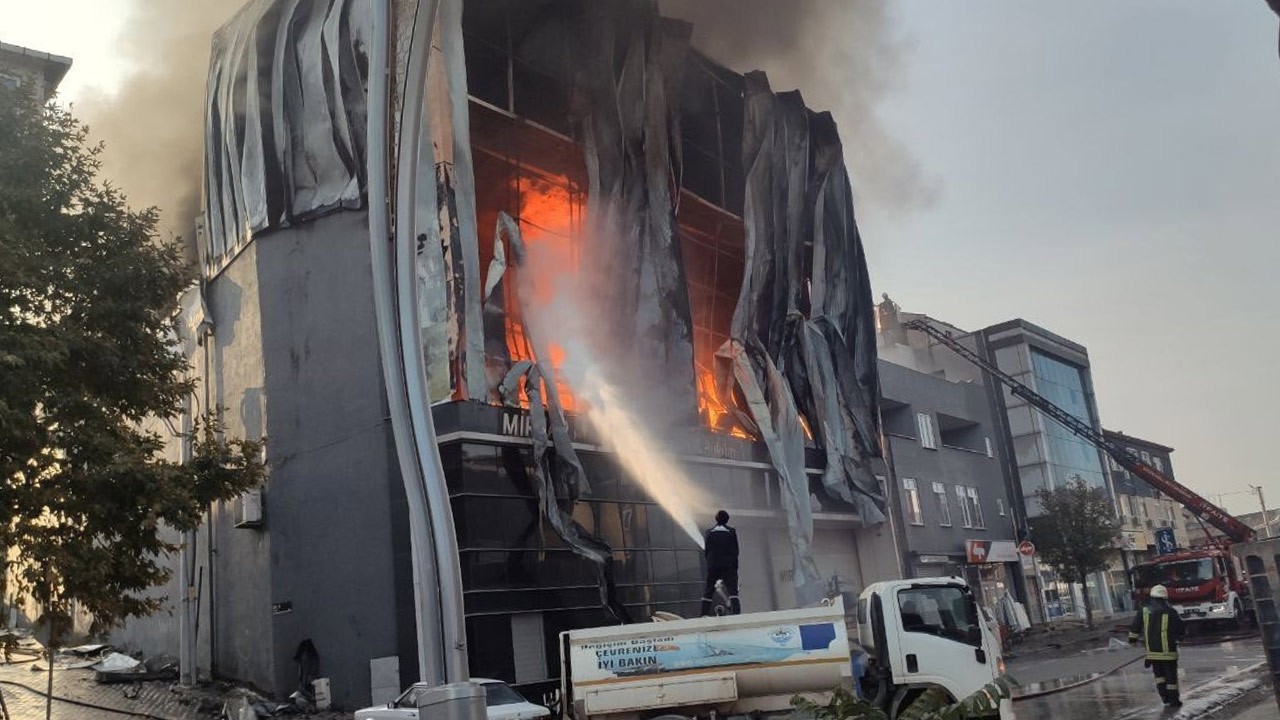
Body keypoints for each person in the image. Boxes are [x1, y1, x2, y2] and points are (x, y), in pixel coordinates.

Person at [1129, 584, 1185, 707]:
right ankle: (1174, 700)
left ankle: (1164, 697)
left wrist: (1132, 640)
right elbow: (1180, 628)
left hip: (1152, 653)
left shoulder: (1144, 610)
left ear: (1152, 596)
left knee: (1159, 676)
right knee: (1171, 678)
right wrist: (1180, 637)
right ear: (1165, 598)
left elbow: (1135, 627)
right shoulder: (1170, 611)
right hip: (1168, 653)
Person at [701, 510, 740, 616]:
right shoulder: (731, 532)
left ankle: (704, 614)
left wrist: (709, 564)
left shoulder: (709, 532)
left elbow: (707, 551)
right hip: (728, 566)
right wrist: (735, 567)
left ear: (716, 519)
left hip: (713, 566)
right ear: (727, 520)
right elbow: (735, 551)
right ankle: (736, 613)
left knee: (708, 590)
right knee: (733, 591)